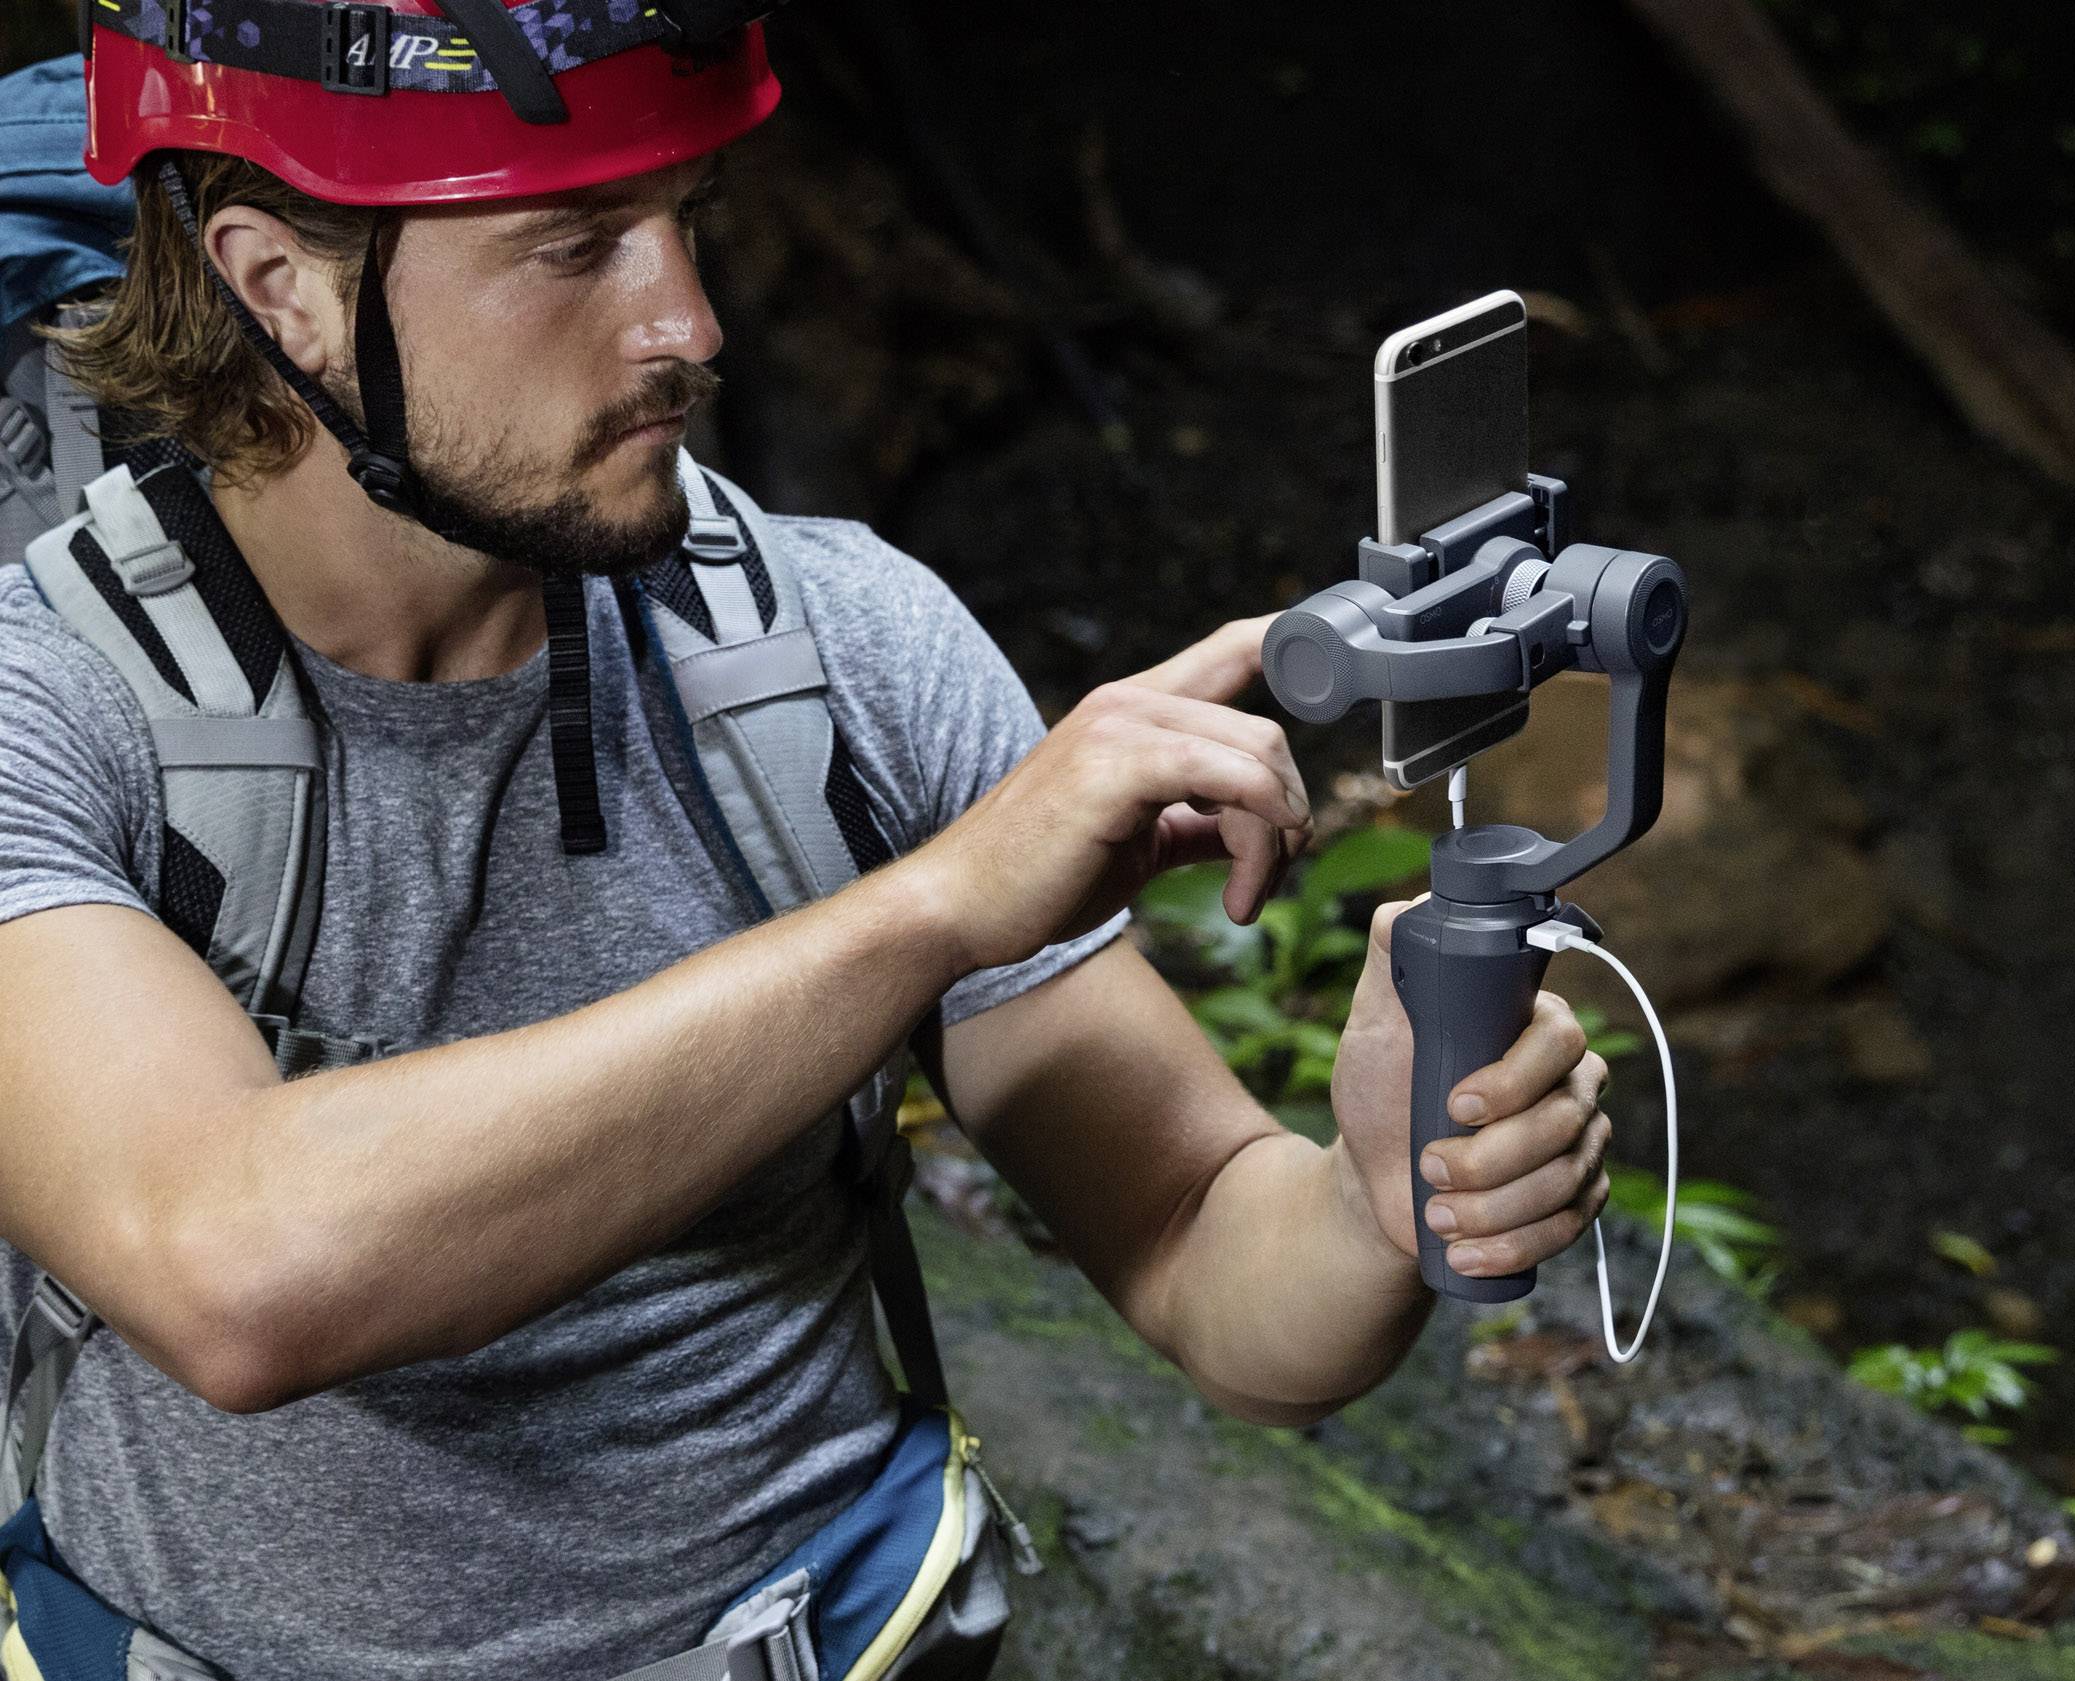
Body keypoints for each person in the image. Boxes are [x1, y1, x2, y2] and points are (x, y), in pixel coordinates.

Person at [0, 4, 1614, 1678]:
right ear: (285, 289)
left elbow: (1212, 1259)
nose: (687, 322)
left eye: (690, 217)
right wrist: (933, 911)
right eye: (572, 248)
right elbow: (234, 1272)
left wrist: (1379, 1199)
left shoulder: (836, 649)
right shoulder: (49, 709)